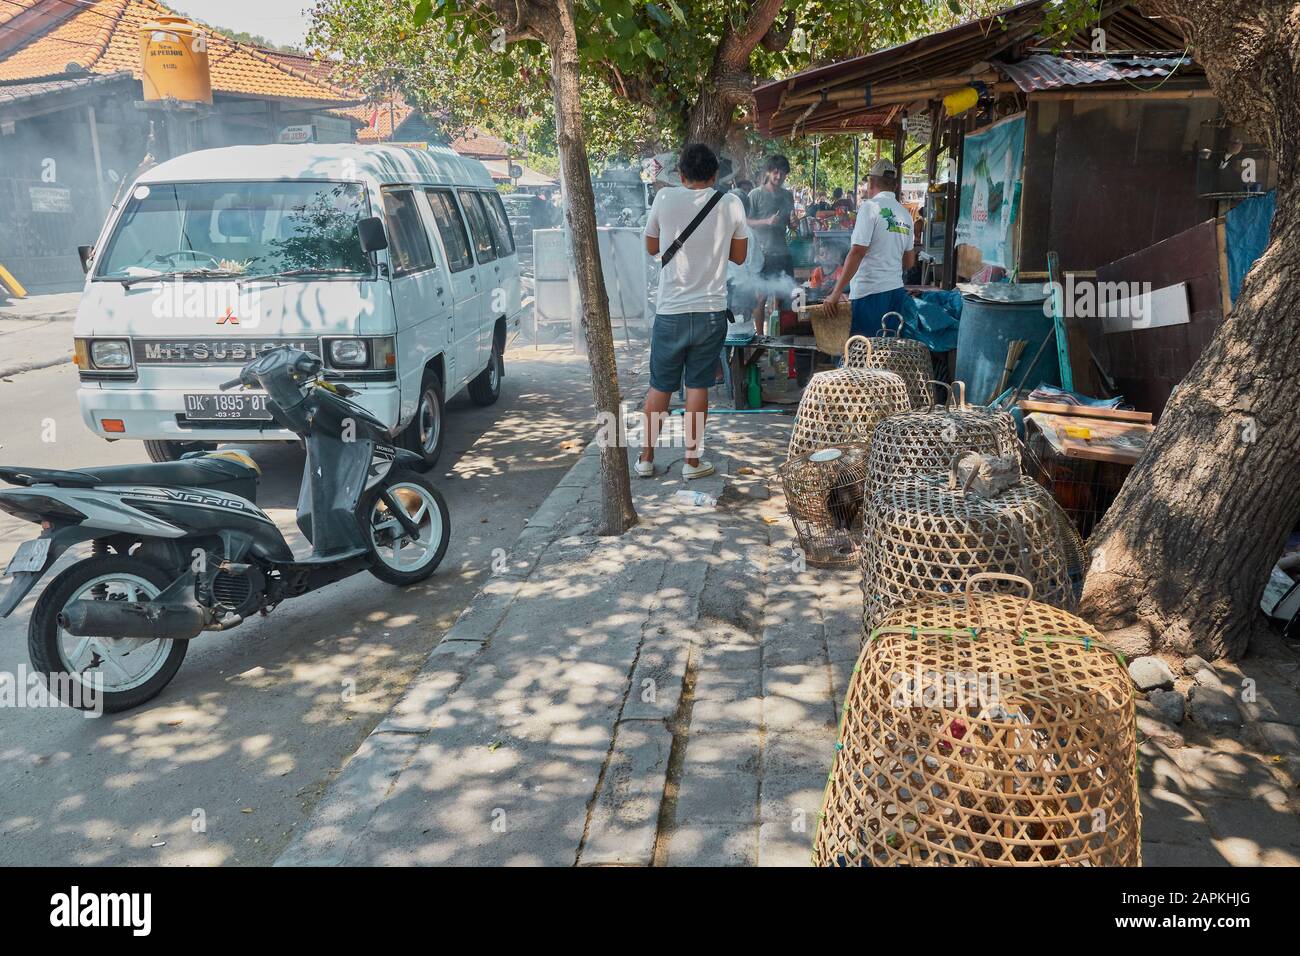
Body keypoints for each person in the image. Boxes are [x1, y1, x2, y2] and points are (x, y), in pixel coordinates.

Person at [640, 143, 748, 480]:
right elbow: (740, 256)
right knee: (698, 385)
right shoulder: (730, 202)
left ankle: (645, 458)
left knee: (660, 386)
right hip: (711, 312)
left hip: (671, 311)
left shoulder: (664, 198)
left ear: (681, 175)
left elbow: (651, 246)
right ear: (715, 175)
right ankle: (691, 463)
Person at [824, 158, 916, 337]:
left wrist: (836, 292)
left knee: (864, 353)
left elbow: (857, 252)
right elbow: (909, 261)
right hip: (896, 293)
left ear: (871, 182)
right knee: (887, 351)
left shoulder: (870, 207)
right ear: (895, 186)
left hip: (870, 294)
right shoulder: (905, 214)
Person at [747, 155, 796, 321]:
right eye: (775, 172)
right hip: (762, 254)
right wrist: (766, 221)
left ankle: (778, 337)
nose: (779, 177)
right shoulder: (755, 195)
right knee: (760, 297)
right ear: (768, 172)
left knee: (783, 296)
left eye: (783, 173)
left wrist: (794, 223)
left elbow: (790, 223)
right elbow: (745, 221)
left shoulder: (788, 196)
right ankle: (760, 339)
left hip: (782, 253)